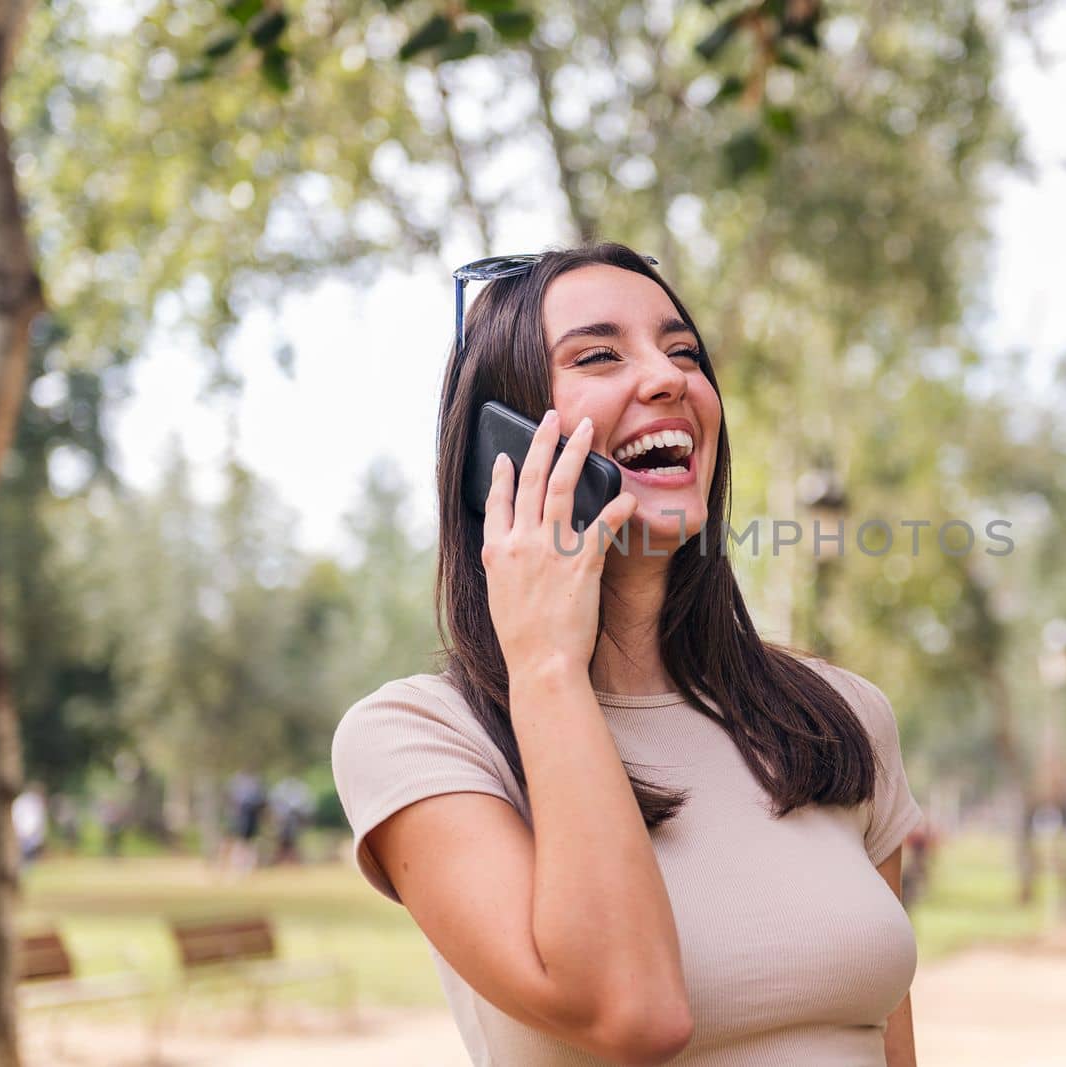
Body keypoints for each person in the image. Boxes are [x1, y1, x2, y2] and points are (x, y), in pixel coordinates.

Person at [331, 244, 923, 1066]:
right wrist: (545, 664)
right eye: (599, 354)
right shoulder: (419, 738)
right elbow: (633, 1012)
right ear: (496, 448)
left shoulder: (837, 717)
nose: (668, 378)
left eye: (683, 351)